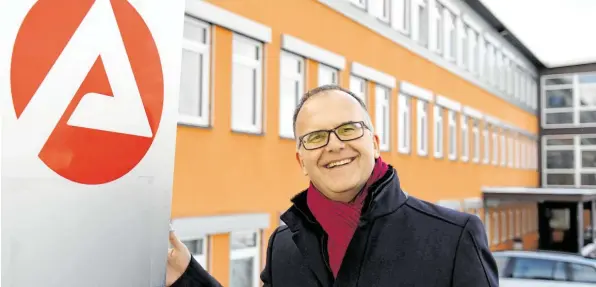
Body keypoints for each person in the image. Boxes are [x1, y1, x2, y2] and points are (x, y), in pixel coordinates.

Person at [166, 85, 499, 287]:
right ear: (301, 161)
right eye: (316, 137)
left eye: (349, 129)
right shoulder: (285, 245)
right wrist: (187, 277)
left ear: (376, 143)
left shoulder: (454, 236)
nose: (335, 145)